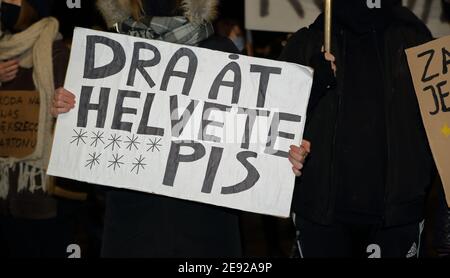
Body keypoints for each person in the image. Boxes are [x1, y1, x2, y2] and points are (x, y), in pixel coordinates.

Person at [51, 0, 242, 258]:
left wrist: (282, 154)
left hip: (202, 223)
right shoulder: (111, 53)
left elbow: (243, 140)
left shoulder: (221, 51)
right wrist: (70, 111)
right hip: (132, 222)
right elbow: (91, 159)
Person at [283, 0, 435, 257]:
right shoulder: (309, 43)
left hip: (396, 217)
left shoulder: (417, 42)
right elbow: (275, 124)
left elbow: (438, 128)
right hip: (322, 215)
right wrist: (312, 86)